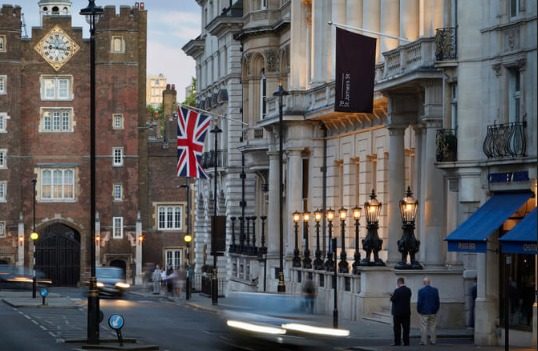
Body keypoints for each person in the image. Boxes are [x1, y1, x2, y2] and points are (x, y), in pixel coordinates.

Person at [417, 277, 440, 345]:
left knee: (424, 327)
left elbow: (419, 302)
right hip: (433, 311)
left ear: (424, 283)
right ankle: (433, 340)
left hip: (424, 311)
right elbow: (437, 301)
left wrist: (419, 310)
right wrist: (436, 309)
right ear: (430, 282)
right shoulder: (435, 290)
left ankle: (424, 341)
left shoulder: (421, 291)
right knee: (433, 326)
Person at [390, 277, 412, 346]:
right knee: (406, 328)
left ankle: (397, 342)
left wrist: (392, 294)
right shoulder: (408, 290)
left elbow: (393, 299)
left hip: (397, 313)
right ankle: (406, 342)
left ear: (398, 283)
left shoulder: (397, 291)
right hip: (406, 312)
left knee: (397, 328)